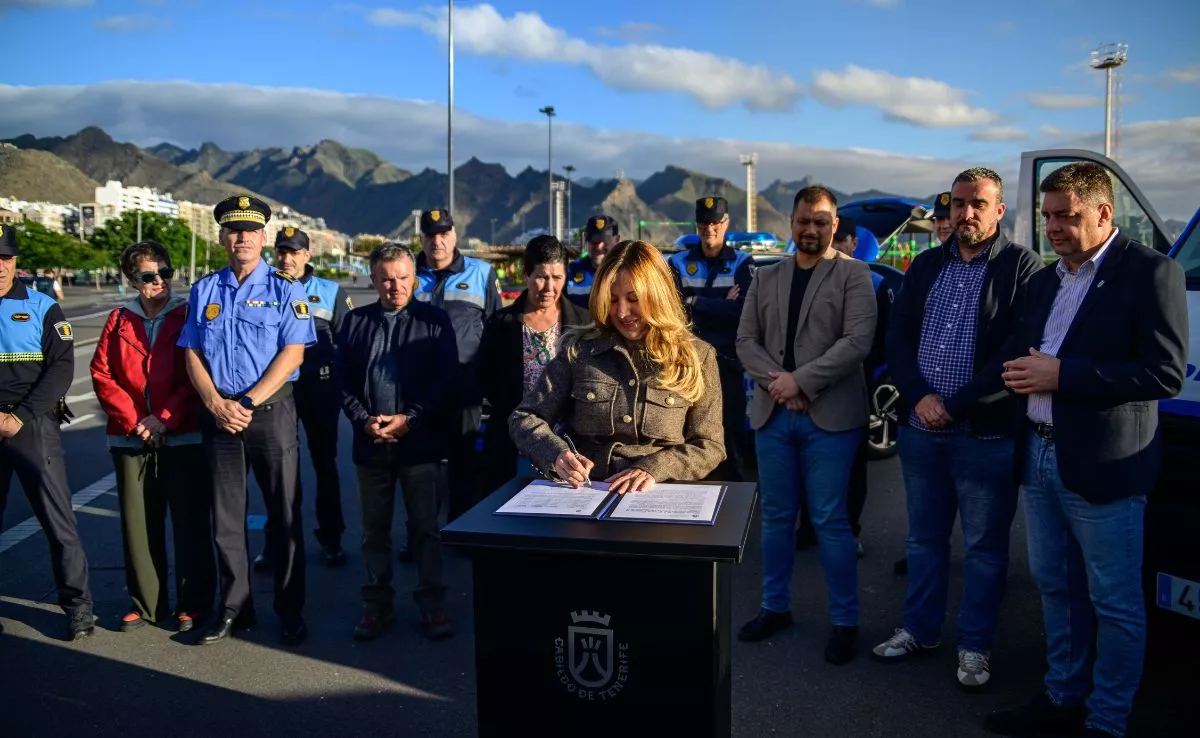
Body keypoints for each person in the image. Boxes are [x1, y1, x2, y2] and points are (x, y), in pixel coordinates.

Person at [987, 162, 1188, 738]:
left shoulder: (1153, 272)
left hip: (1105, 467)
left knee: (1115, 604)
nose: (1052, 227)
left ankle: (1106, 721)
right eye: (1048, 216)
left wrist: (1062, 375)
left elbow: (1164, 374)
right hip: (1041, 455)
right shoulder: (1049, 280)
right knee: (1054, 587)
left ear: (1104, 213)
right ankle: (1061, 698)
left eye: (1066, 216)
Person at [874, 168, 1042, 690]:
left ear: (998, 212)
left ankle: (974, 646)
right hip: (923, 426)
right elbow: (898, 338)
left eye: (979, 204)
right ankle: (920, 630)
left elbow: (1016, 349)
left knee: (985, 548)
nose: (966, 213)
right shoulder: (926, 265)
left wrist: (958, 403)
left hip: (985, 432)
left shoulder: (1022, 267)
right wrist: (921, 397)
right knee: (924, 539)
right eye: (959, 203)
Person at [735, 185, 876, 666]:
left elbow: (857, 342)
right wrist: (779, 384)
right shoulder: (765, 276)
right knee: (775, 518)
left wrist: (800, 382)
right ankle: (775, 607)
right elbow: (745, 340)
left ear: (834, 225)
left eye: (820, 221)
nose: (810, 229)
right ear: (791, 224)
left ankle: (845, 621)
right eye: (803, 221)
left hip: (830, 420)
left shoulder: (856, 276)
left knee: (830, 521)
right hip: (773, 417)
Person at [178, 194, 316, 646]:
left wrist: (248, 403)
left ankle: (290, 610)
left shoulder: (285, 288)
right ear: (222, 237)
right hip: (219, 416)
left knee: (285, 515)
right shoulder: (205, 290)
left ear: (263, 237)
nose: (242, 237)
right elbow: (192, 352)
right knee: (226, 519)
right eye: (234, 230)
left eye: (251, 230)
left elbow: (293, 352)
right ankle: (235, 608)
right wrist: (217, 404)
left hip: (270, 413)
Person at [510, 240, 725, 492]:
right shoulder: (578, 350)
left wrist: (656, 468)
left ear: (657, 295)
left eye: (633, 299)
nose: (622, 312)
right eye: (612, 300)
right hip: (586, 495)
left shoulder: (697, 357)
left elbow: (709, 445)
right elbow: (525, 418)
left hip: (661, 500)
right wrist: (557, 455)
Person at [90, 241, 216, 634]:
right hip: (129, 437)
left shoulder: (188, 314)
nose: (158, 281)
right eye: (147, 276)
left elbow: (198, 374)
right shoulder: (118, 320)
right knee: (139, 523)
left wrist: (163, 419)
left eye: (164, 272)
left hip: (183, 434)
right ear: (132, 280)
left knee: (190, 522)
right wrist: (135, 422)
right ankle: (146, 603)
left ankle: (192, 604)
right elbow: (102, 373)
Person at [337, 242, 459, 641]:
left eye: (403, 278)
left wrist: (412, 418)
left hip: (420, 446)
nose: (395, 286)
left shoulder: (435, 321)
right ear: (373, 280)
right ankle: (376, 607)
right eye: (387, 279)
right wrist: (362, 420)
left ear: (414, 278)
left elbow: (446, 381)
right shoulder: (354, 324)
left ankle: (432, 607)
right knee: (374, 532)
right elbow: (342, 383)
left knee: (425, 529)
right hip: (370, 446)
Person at [0, 224, 95, 640]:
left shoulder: (41, 306)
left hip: (32, 423)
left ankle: (78, 606)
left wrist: (19, 416)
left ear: (15, 261)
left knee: (58, 521)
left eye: (4, 259)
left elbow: (60, 368)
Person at [256, 226, 353, 569]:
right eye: (282, 251)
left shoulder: (329, 291)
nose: (287, 258)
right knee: (277, 470)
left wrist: (344, 390)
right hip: (279, 390)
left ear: (308, 255)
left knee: (325, 466)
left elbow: (347, 345)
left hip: (319, 391)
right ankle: (276, 542)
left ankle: (332, 538)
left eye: (295, 252)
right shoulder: (262, 289)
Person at [478, 235, 591, 493]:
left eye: (557, 277)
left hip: (571, 446)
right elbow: (485, 378)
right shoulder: (501, 324)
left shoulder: (584, 323)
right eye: (541, 276)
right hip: (513, 444)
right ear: (526, 274)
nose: (548, 287)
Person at [413, 208, 501, 521]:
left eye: (444, 233)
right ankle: (419, 533)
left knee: (463, 459)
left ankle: (460, 527)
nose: (437, 240)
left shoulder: (481, 273)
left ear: (454, 235)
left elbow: (496, 329)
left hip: (466, 386)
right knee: (420, 464)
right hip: (418, 388)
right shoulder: (408, 273)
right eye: (430, 234)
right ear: (421, 238)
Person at [667, 196, 753, 483]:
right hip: (687, 363)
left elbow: (742, 313)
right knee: (687, 436)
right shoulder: (677, 262)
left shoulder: (742, 262)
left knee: (731, 436)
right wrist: (719, 303)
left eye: (716, 222)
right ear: (697, 225)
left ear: (726, 223)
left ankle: (738, 500)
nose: (710, 228)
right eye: (704, 223)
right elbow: (672, 311)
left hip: (728, 363)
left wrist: (695, 301)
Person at [565, 215, 619, 308]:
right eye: (593, 241)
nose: (598, 247)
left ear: (616, 240)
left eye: (605, 241)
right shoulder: (571, 271)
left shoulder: (628, 272)